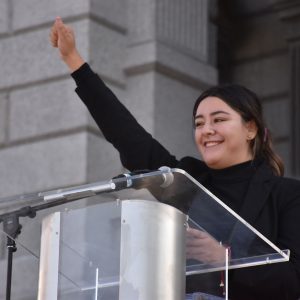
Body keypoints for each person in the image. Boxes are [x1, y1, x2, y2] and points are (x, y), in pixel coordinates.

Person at [50, 17, 300, 299]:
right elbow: (127, 136)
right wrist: (74, 62)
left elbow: (293, 280)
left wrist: (224, 258)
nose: (207, 130)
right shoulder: (185, 181)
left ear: (250, 128)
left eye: (218, 119)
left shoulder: (287, 195)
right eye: (199, 123)